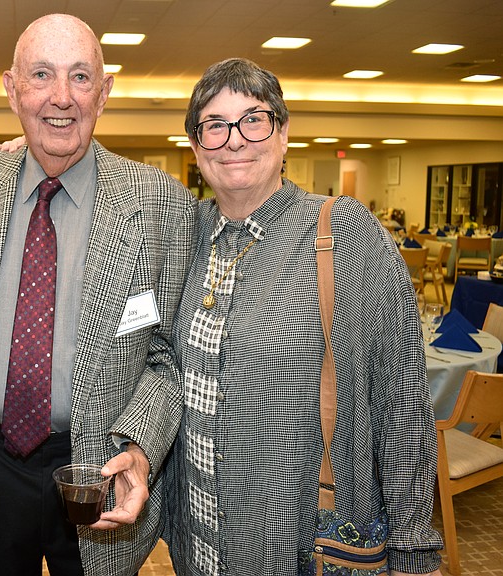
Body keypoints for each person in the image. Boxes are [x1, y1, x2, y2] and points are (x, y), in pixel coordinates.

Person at [0, 13, 196, 576]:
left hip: (102, 467)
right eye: (42, 74)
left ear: (104, 92)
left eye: (80, 76)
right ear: (12, 90)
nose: (62, 97)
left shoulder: (161, 204)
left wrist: (140, 447)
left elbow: (171, 354)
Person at [163, 58, 444, 575]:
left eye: (253, 119)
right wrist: (38, 150)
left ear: (284, 132)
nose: (234, 140)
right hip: (197, 545)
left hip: (298, 544)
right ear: (196, 146)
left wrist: (412, 547)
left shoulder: (344, 233)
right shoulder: (187, 233)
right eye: (214, 126)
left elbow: (402, 399)